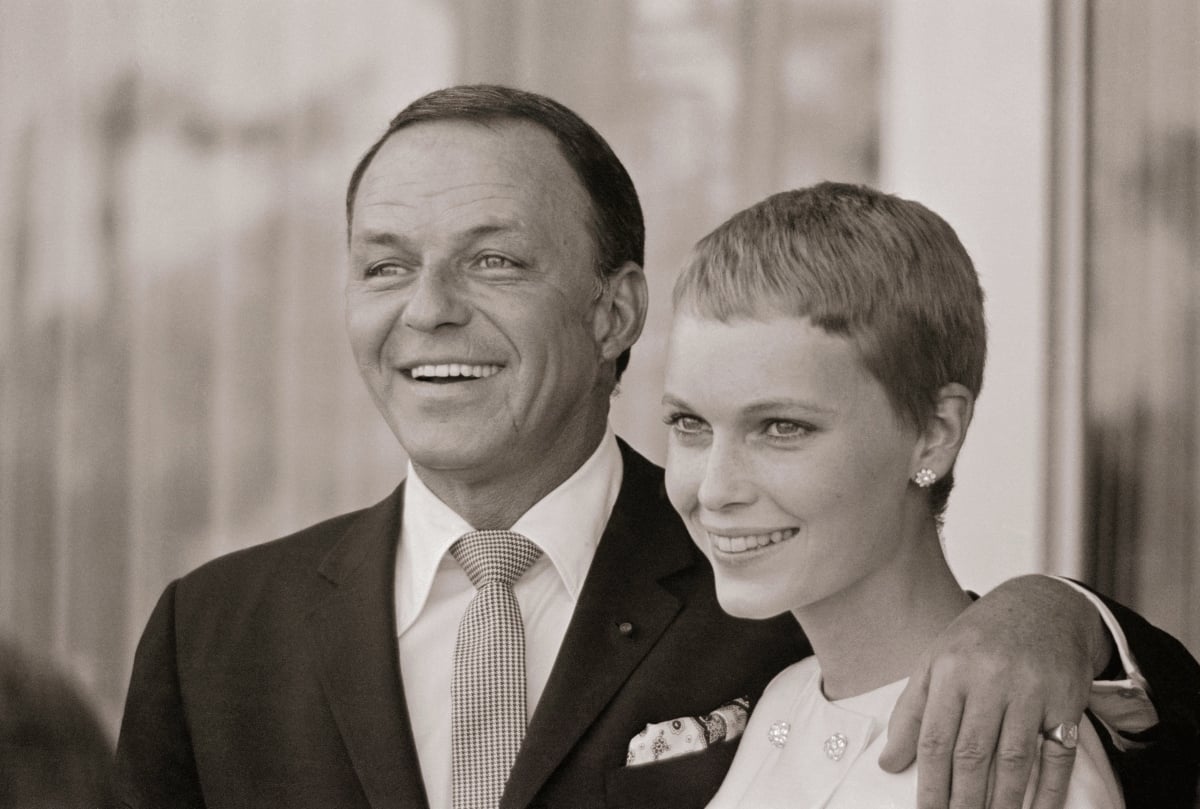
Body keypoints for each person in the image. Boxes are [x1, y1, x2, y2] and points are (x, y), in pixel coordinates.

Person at [112, 85, 1200, 809]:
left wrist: (1063, 614)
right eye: (385, 264)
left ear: (615, 312)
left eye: (494, 261)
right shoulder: (210, 635)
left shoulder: (779, 596)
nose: (428, 309)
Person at [662, 182, 1200, 808]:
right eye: (689, 424)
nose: (716, 489)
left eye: (784, 428)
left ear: (933, 434)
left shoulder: (1012, 763)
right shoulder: (784, 694)